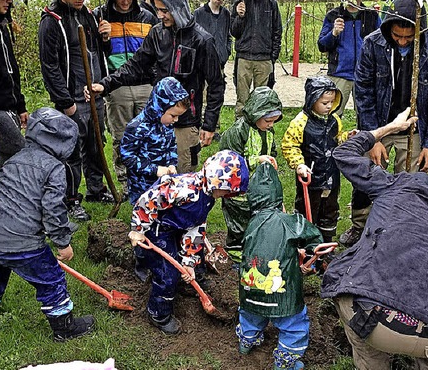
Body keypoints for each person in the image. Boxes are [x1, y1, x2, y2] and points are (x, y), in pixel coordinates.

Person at [321, 108, 428, 370]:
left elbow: (343, 153)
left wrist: (389, 128)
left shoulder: (388, 187)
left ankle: (374, 363)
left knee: (344, 276)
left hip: (376, 324)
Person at [341, 0, 428, 247]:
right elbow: (364, 93)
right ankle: (360, 226)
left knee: (409, 181)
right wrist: (372, 137)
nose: (402, 41)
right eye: (397, 36)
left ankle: (401, 229)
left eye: (409, 37)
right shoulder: (372, 45)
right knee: (366, 177)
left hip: (415, 127)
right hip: (379, 124)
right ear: (388, 28)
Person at [87, 0, 224, 174]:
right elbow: (136, 64)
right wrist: (105, 85)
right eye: (158, 10)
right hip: (158, 120)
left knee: (183, 177)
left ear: (178, 8)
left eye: (165, 11)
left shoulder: (202, 40)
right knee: (159, 176)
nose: (160, 15)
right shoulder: (157, 34)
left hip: (186, 123)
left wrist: (209, 124)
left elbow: (216, 85)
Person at [0, 108, 95, 341]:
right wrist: (62, 243)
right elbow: (53, 209)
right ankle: (64, 327)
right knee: (50, 279)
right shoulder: (54, 168)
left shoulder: (14, 159)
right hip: (23, 241)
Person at [128, 150, 249, 334]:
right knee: (168, 273)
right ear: (217, 181)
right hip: (158, 229)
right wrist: (138, 229)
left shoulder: (208, 197)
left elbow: (196, 227)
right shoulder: (185, 189)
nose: (229, 194)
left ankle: (186, 275)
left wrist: (189, 262)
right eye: (229, 190)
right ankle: (158, 313)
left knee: (191, 259)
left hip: (179, 227)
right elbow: (149, 200)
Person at [39, 0, 113, 222]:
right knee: (71, 153)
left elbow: (100, 54)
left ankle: (96, 190)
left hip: (94, 95)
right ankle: (70, 199)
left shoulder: (89, 16)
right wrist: (65, 102)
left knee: (96, 145)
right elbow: (49, 67)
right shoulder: (52, 22)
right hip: (71, 99)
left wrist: (105, 39)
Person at [237, 162, 323, 370]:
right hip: (283, 295)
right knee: (293, 325)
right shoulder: (290, 221)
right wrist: (310, 253)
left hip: (250, 290)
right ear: (278, 196)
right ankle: (286, 359)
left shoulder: (251, 223)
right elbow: (315, 239)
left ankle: (247, 340)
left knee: (250, 314)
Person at [94, 0, 158, 199]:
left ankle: (147, 177)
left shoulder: (148, 18)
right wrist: (103, 39)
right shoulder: (100, 17)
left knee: (146, 134)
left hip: (144, 85)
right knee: (121, 136)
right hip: (116, 86)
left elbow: (156, 52)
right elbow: (95, 54)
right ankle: (124, 181)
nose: (124, 1)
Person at [281, 77, 354, 243]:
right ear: (312, 100)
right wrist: (299, 164)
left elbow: (337, 138)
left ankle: (326, 242)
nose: (329, 106)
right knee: (307, 209)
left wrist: (346, 137)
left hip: (331, 175)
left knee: (330, 208)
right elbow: (290, 145)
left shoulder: (334, 120)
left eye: (331, 102)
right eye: (324, 102)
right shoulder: (301, 122)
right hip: (310, 177)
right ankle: (305, 243)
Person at [219, 86, 282, 262]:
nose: (271, 125)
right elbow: (229, 163)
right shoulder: (238, 131)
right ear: (257, 113)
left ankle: (255, 247)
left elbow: (271, 149)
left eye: (274, 121)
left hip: (258, 184)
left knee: (257, 217)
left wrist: (271, 159)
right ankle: (236, 252)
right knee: (239, 220)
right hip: (238, 187)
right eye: (268, 120)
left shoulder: (267, 131)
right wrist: (257, 160)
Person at [317, 0, 380, 117]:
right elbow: (322, 45)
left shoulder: (371, 16)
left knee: (366, 115)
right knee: (332, 114)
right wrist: (333, 33)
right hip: (340, 73)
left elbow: (381, 42)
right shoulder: (333, 16)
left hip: (365, 75)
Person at [120, 77, 189, 205]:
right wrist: (154, 170)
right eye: (173, 115)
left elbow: (172, 147)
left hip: (164, 183)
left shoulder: (166, 125)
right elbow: (127, 156)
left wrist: (172, 164)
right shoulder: (137, 127)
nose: (176, 120)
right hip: (142, 186)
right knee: (145, 218)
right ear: (159, 107)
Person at [230, 0, 282, 117]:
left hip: (264, 58)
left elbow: (277, 31)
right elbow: (234, 32)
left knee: (262, 99)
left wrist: (273, 56)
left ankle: (260, 130)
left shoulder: (271, 3)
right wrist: (240, 17)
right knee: (242, 99)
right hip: (244, 57)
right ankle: (240, 130)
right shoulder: (239, 3)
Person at [0, 0, 28, 167]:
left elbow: (13, 69)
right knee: (23, 160)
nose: (9, 1)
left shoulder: (2, 26)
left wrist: (21, 106)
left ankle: (11, 196)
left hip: (9, 105)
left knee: (10, 166)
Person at [193, 0, 232, 71]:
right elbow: (193, 38)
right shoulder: (199, 13)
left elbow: (228, 35)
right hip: (203, 65)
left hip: (220, 63)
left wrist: (226, 52)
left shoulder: (226, 14)